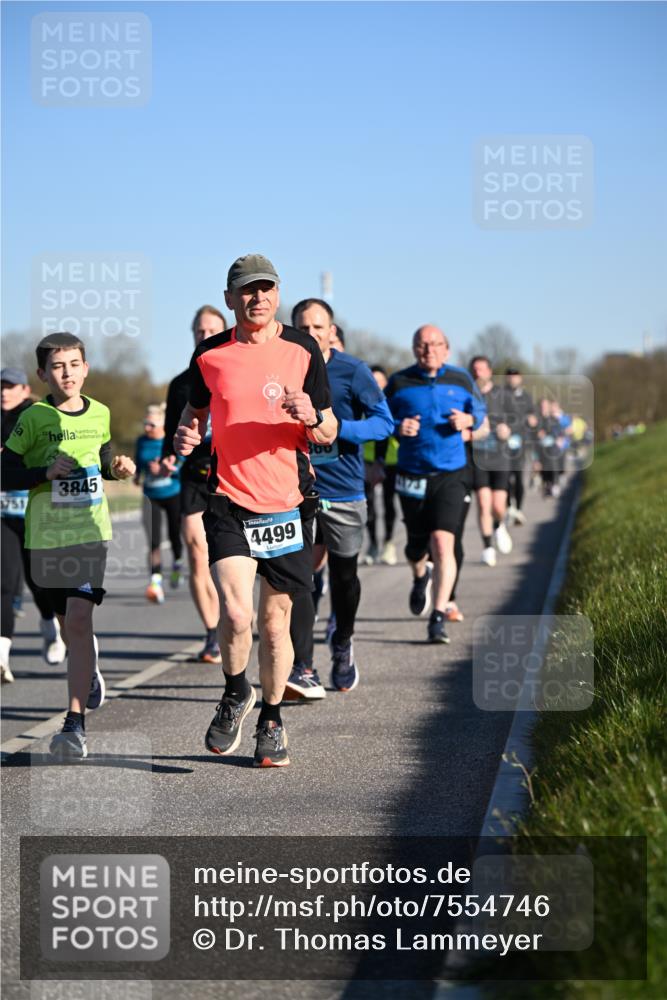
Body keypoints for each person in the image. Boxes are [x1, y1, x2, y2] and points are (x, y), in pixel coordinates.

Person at [174, 254, 336, 767]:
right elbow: (194, 412)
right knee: (238, 613)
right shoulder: (210, 355)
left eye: (266, 289)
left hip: (288, 503)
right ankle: (233, 690)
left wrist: (312, 416)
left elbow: (328, 430)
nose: (257, 298)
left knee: (274, 622)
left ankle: (271, 717)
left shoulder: (303, 348)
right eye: (246, 290)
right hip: (228, 500)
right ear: (230, 299)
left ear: (278, 293)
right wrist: (186, 431)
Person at [2, 333, 135, 759]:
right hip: (45, 537)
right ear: (43, 374)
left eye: (74, 364)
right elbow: (5, 470)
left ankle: (74, 723)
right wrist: (43, 473)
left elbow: (103, 458)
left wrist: (117, 468)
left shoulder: (101, 412)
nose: (68, 373)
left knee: (79, 620)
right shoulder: (35, 418)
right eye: (58, 367)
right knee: (68, 624)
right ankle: (88, 668)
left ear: (86, 368)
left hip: (90, 532)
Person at [285, 299, 393, 696]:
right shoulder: (282, 368)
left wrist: (337, 428)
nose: (311, 335)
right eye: (303, 328)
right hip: (295, 491)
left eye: (318, 327)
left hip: (345, 490)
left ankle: (343, 642)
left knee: (344, 577)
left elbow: (384, 423)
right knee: (300, 579)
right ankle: (304, 666)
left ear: (332, 331)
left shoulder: (353, 371)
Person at [386, 326, 486, 643]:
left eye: (435, 344)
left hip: (451, 473)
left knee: (443, 543)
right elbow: (381, 420)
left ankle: (438, 614)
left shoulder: (461, 379)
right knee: (416, 547)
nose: (429, 349)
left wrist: (469, 421)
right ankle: (420, 575)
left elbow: (480, 414)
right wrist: (398, 426)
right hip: (412, 473)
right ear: (414, 348)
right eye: (422, 344)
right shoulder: (399, 382)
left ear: (447, 348)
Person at [161, 306, 226, 662]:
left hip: (232, 472)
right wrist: (167, 454)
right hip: (194, 475)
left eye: (211, 330)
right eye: (199, 331)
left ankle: (237, 620)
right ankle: (212, 632)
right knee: (196, 552)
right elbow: (172, 433)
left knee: (233, 559)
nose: (205, 336)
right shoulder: (181, 384)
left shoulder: (236, 372)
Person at [1, 367, 67, 682]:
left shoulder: (36, 417)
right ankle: (2, 658)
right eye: (1, 386)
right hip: (3, 514)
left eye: (11, 386)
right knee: (4, 582)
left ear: (26, 390)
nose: (4, 392)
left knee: (37, 581)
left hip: (34, 510)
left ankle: (49, 625)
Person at [134, 403, 183, 604]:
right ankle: (155, 582)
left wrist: (167, 469)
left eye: (151, 424)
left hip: (172, 493)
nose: (147, 428)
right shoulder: (141, 441)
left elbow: (181, 464)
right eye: (145, 423)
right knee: (153, 540)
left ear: (162, 424)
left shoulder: (171, 440)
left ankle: (178, 564)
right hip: (150, 495)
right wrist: (137, 475)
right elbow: (139, 464)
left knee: (173, 535)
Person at [469, 356, 513, 567]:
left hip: (500, 456)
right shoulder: (468, 395)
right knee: (483, 504)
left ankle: (499, 524)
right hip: (478, 457)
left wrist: (508, 430)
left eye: (482, 370)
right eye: (474, 370)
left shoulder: (503, 395)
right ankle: (487, 547)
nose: (478, 373)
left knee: (498, 506)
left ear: (490, 371)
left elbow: (518, 420)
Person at [363, 365, 400, 566]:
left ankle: (388, 543)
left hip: (391, 460)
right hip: (366, 460)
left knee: (388, 503)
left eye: (381, 381)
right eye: (373, 381)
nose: (377, 385)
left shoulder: (392, 403)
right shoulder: (361, 399)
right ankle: (372, 544)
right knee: (368, 504)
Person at [503, 366, 538, 525]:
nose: (512, 379)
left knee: (518, 477)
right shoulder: (500, 394)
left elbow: (533, 416)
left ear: (520, 378)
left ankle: (519, 509)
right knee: (505, 477)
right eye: (509, 377)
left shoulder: (527, 397)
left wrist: (533, 421)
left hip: (520, 441)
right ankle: (509, 507)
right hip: (503, 441)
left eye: (515, 376)